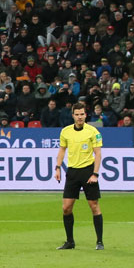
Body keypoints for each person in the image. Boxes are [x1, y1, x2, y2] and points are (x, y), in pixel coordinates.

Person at [54, 102, 104, 250]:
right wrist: (57, 168)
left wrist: (95, 174)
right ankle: (70, 241)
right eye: (77, 114)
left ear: (85, 114)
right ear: (73, 115)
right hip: (73, 172)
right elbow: (62, 150)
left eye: (82, 114)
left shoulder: (93, 131)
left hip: (88, 171)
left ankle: (99, 241)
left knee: (94, 206)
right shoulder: (66, 131)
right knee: (66, 208)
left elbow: (98, 153)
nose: (80, 117)